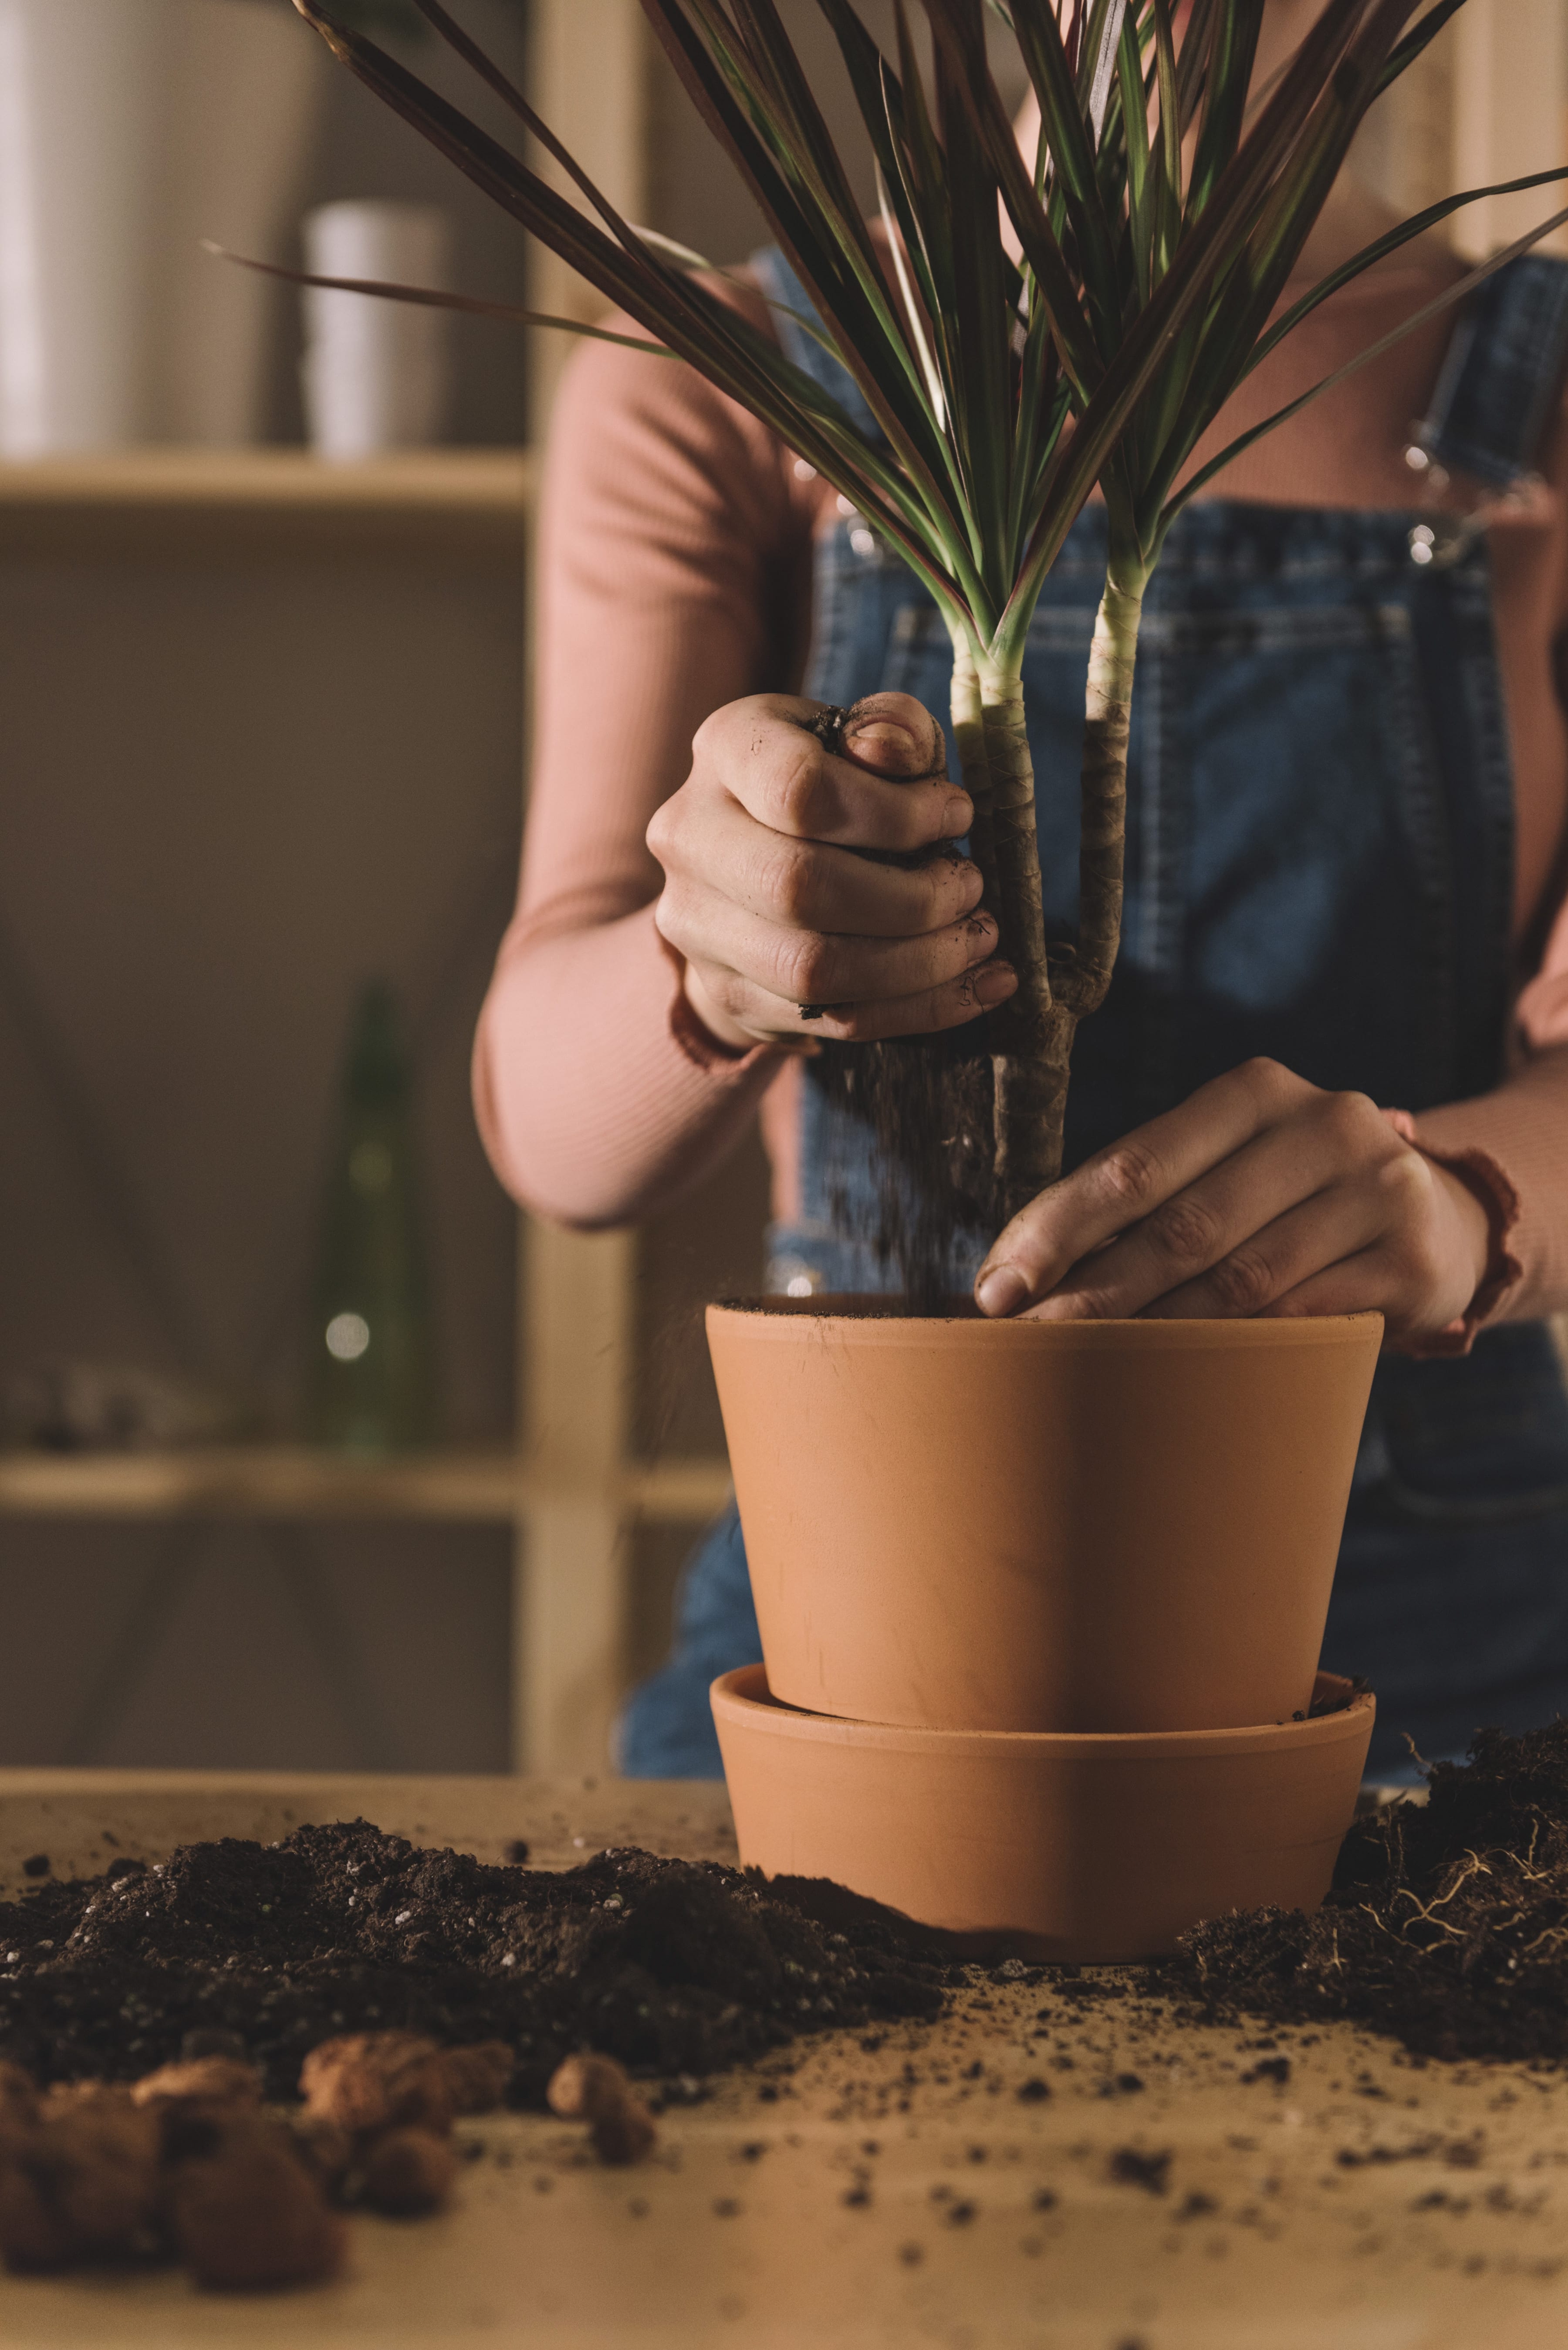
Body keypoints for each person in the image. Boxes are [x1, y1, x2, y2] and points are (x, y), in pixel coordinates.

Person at [474, 2, 1568, 1783]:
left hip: (1440, 1600)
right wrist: (712, 951)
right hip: (859, 1558)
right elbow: (548, 1121)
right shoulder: (730, 374)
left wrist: (1451, 1205)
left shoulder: (1545, 388)